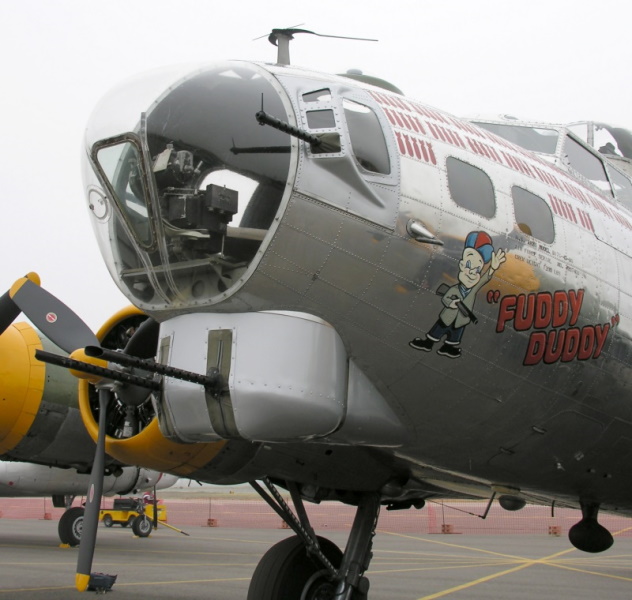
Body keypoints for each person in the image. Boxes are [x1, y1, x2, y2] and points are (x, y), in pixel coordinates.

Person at [409, 231, 506, 358]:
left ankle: (448, 348)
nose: (472, 272)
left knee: (455, 336)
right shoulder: (454, 289)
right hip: (447, 317)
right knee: (437, 331)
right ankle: (428, 343)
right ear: (461, 265)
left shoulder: (473, 290)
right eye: (468, 266)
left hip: (461, 321)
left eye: (477, 270)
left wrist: (492, 268)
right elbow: (445, 297)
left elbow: (484, 279)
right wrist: (451, 302)